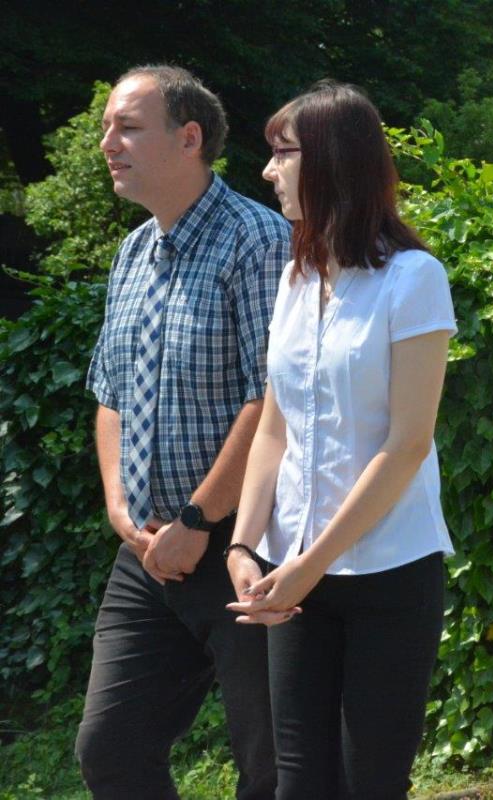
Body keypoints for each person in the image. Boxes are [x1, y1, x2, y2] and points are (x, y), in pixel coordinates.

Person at [223, 81, 455, 800]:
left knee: (370, 784)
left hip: (388, 573)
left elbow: (408, 443)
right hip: (292, 573)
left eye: (284, 153)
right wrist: (243, 545)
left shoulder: (414, 279)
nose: (269, 170)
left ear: (332, 161)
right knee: (298, 782)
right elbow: (276, 425)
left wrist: (309, 565)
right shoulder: (296, 280)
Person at [76, 65, 288, 799]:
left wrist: (200, 520)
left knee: (270, 768)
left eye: (128, 127)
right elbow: (110, 393)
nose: (108, 143)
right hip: (148, 553)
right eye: (108, 128)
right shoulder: (132, 253)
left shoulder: (258, 241)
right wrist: (119, 510)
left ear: (189, 138)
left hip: (244, 548)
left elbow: (273, 398)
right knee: (111, 751)